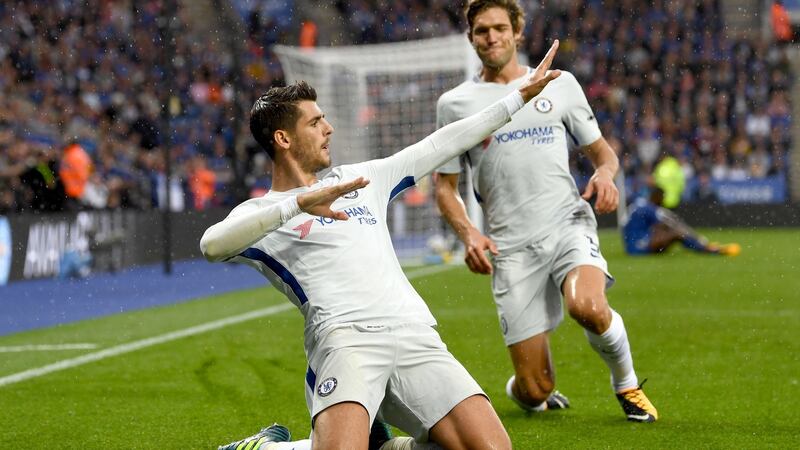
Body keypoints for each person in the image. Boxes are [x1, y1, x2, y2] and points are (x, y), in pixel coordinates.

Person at [201, 41, 561, 449]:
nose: (329, 128)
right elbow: (211, 246)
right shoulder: (264, 211)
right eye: (315, 122)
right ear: (283, 138)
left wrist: (516, 98)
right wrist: (297, 204)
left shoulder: (360, 178)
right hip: (345, 339)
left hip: (413, 333)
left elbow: (441, 143)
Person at [434, 0, 657, 422]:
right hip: (510, 248)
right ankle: (532, 386)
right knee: (535, 390)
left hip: (565, 223)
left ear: (517, 32)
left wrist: (606, 176)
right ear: (471, 37)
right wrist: (469, 234)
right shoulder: (455, 105)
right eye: (482, 30)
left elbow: (603, 155)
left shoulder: (559, 83)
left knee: (587, 306)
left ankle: (626, 385)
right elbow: (444, 188)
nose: (492, 37)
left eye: (500, 28)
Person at [622, 187, 740, 256]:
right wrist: (696, 238)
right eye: (662, 199)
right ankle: (706, 249)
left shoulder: (639, 203)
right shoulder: (651, 209)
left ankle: (702, 246)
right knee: (677, 233)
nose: (663, 202)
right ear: (657, 198)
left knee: (668, 230)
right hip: (638, 248)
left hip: (631, 246)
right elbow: (671, 222)